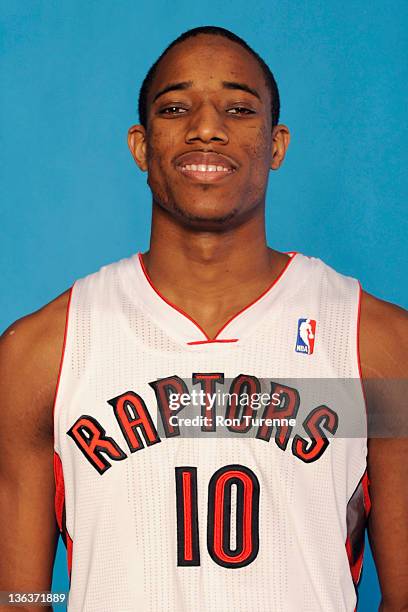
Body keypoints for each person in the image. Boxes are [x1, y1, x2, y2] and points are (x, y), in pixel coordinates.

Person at [0, 25, 407, 612]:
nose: (207, 127)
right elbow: (19, 595)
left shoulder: (375, 344)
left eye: (239, 109)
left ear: (276, 144)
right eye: (176, 107)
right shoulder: (44, 350)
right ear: (141, 145)